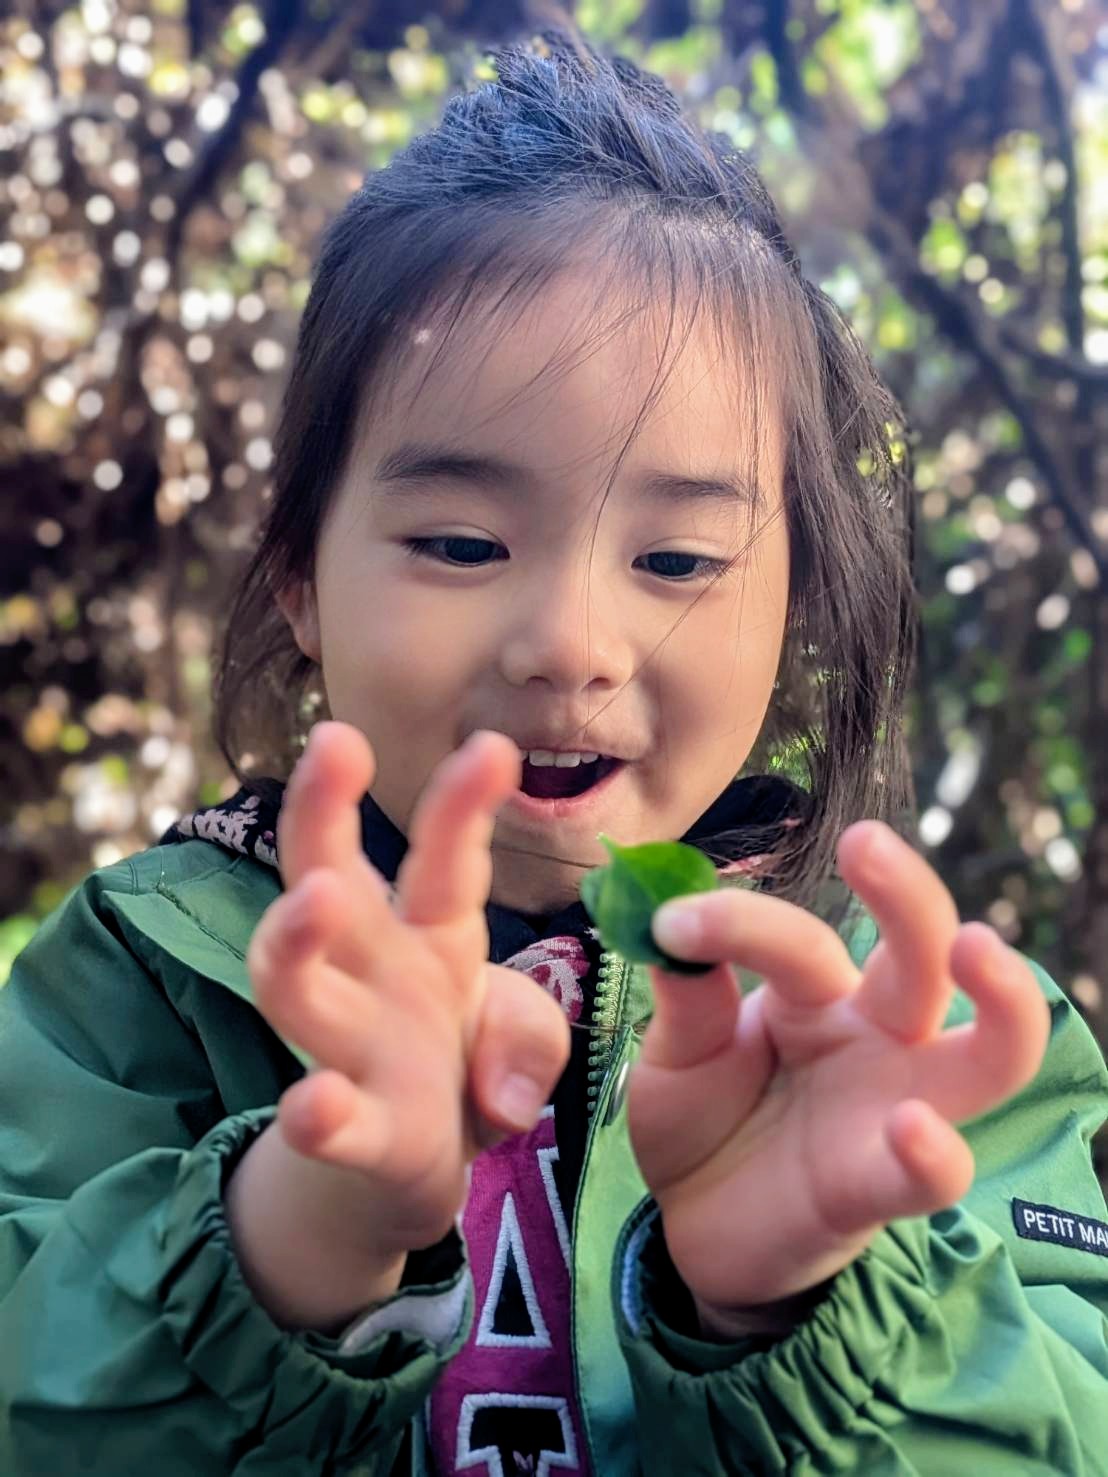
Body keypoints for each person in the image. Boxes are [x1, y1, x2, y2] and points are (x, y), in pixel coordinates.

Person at [1, 27, 1105, 1477]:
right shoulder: (143, 982)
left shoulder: (909, 1039)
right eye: (463, 543)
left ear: (796, 607)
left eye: (678, 558)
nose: (573, 644)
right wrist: (297, 1235)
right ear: (300, 580)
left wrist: (809, 1306)